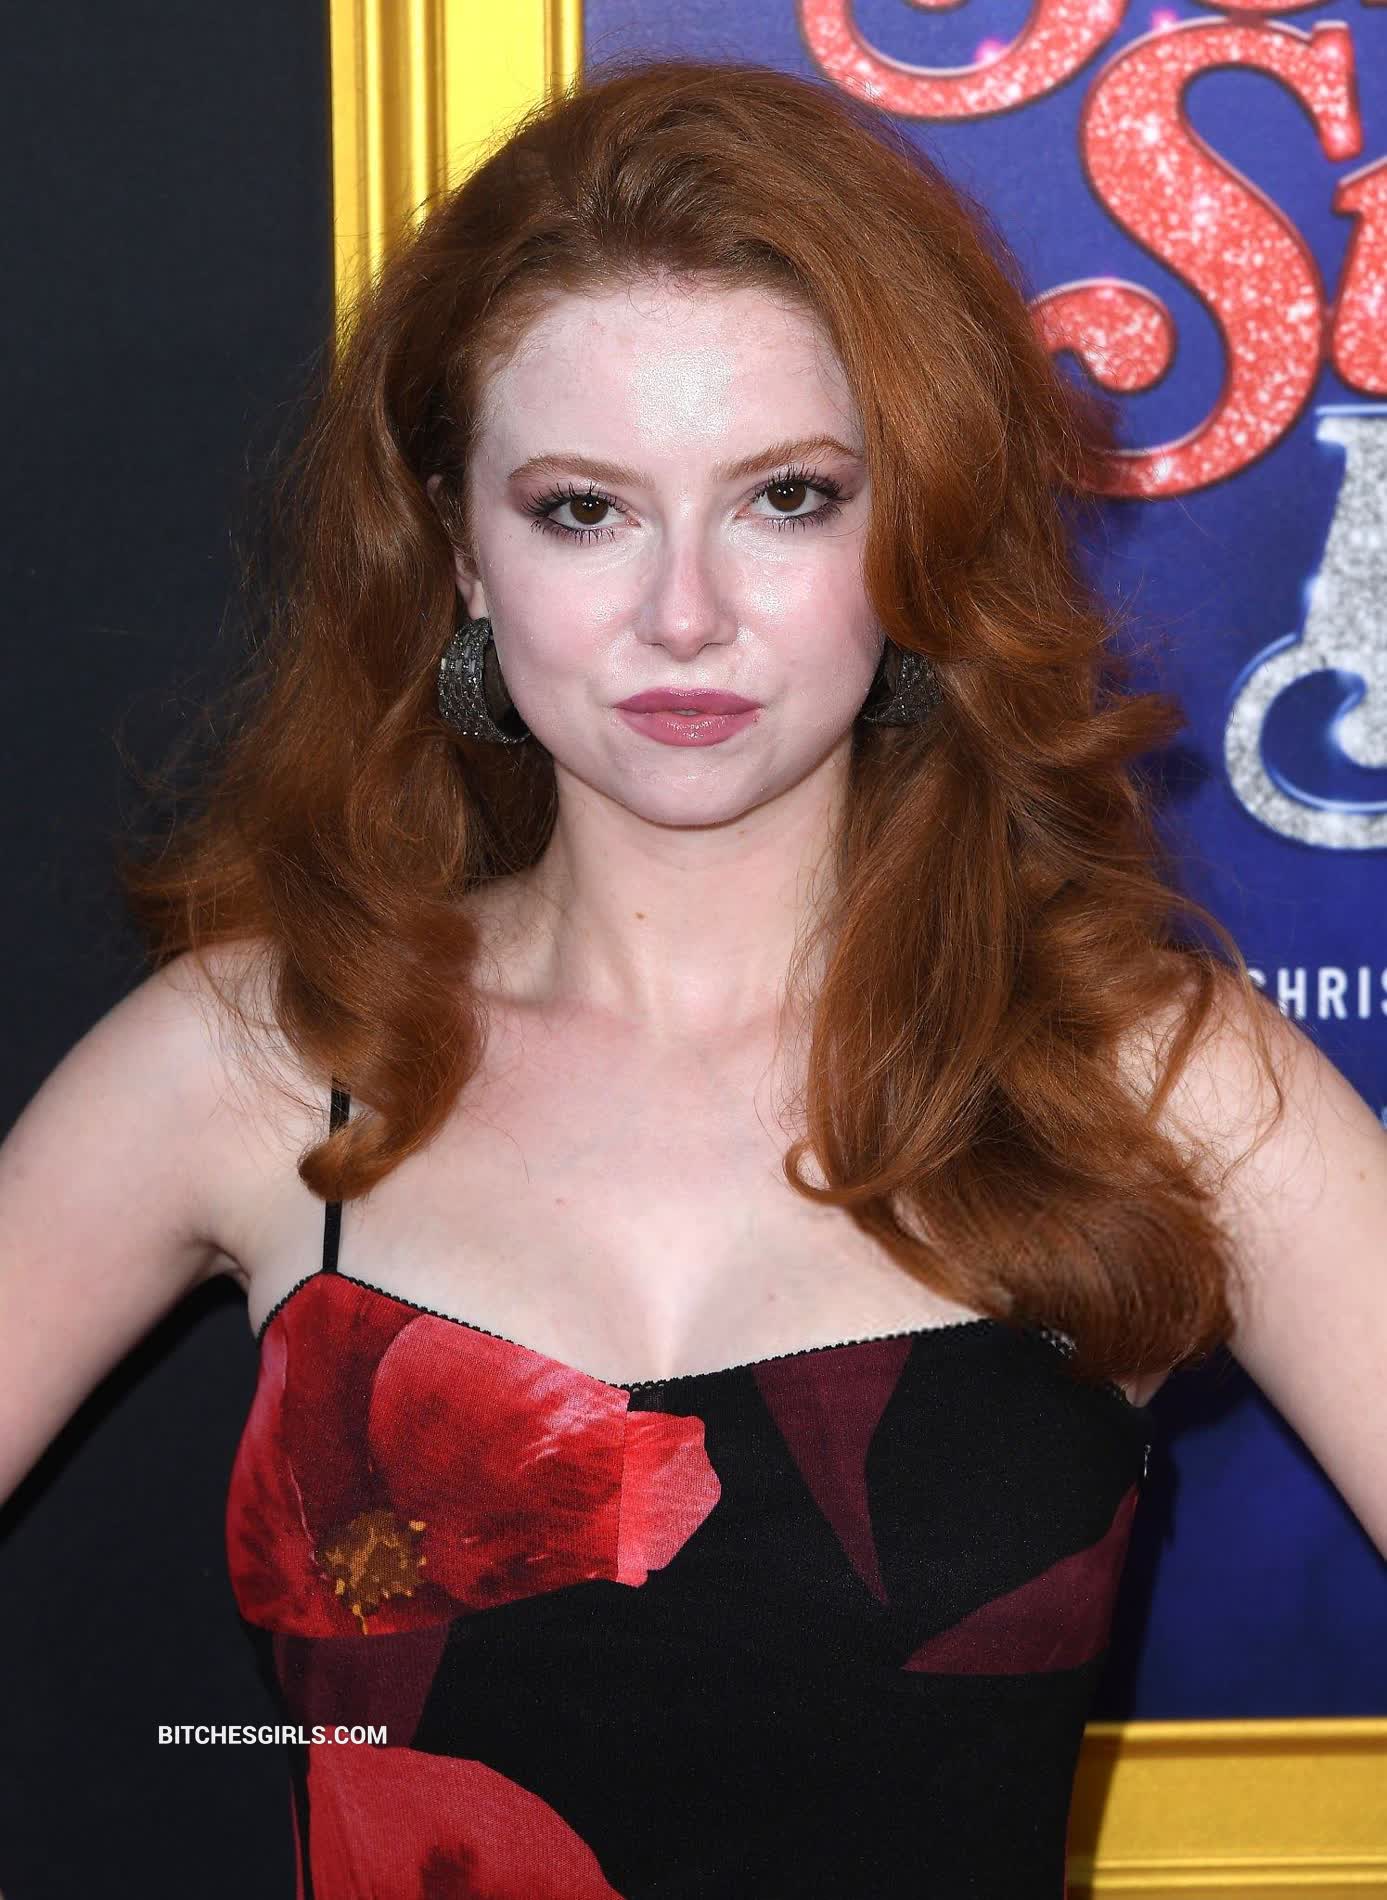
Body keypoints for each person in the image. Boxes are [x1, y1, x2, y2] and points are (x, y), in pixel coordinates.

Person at [2, 51, 1383, 1899]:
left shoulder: (1145, 1076)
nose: (683, 616)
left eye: (787, 499)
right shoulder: (257, 1061)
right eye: (585, 509)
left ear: (915, 526)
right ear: (462, 551)